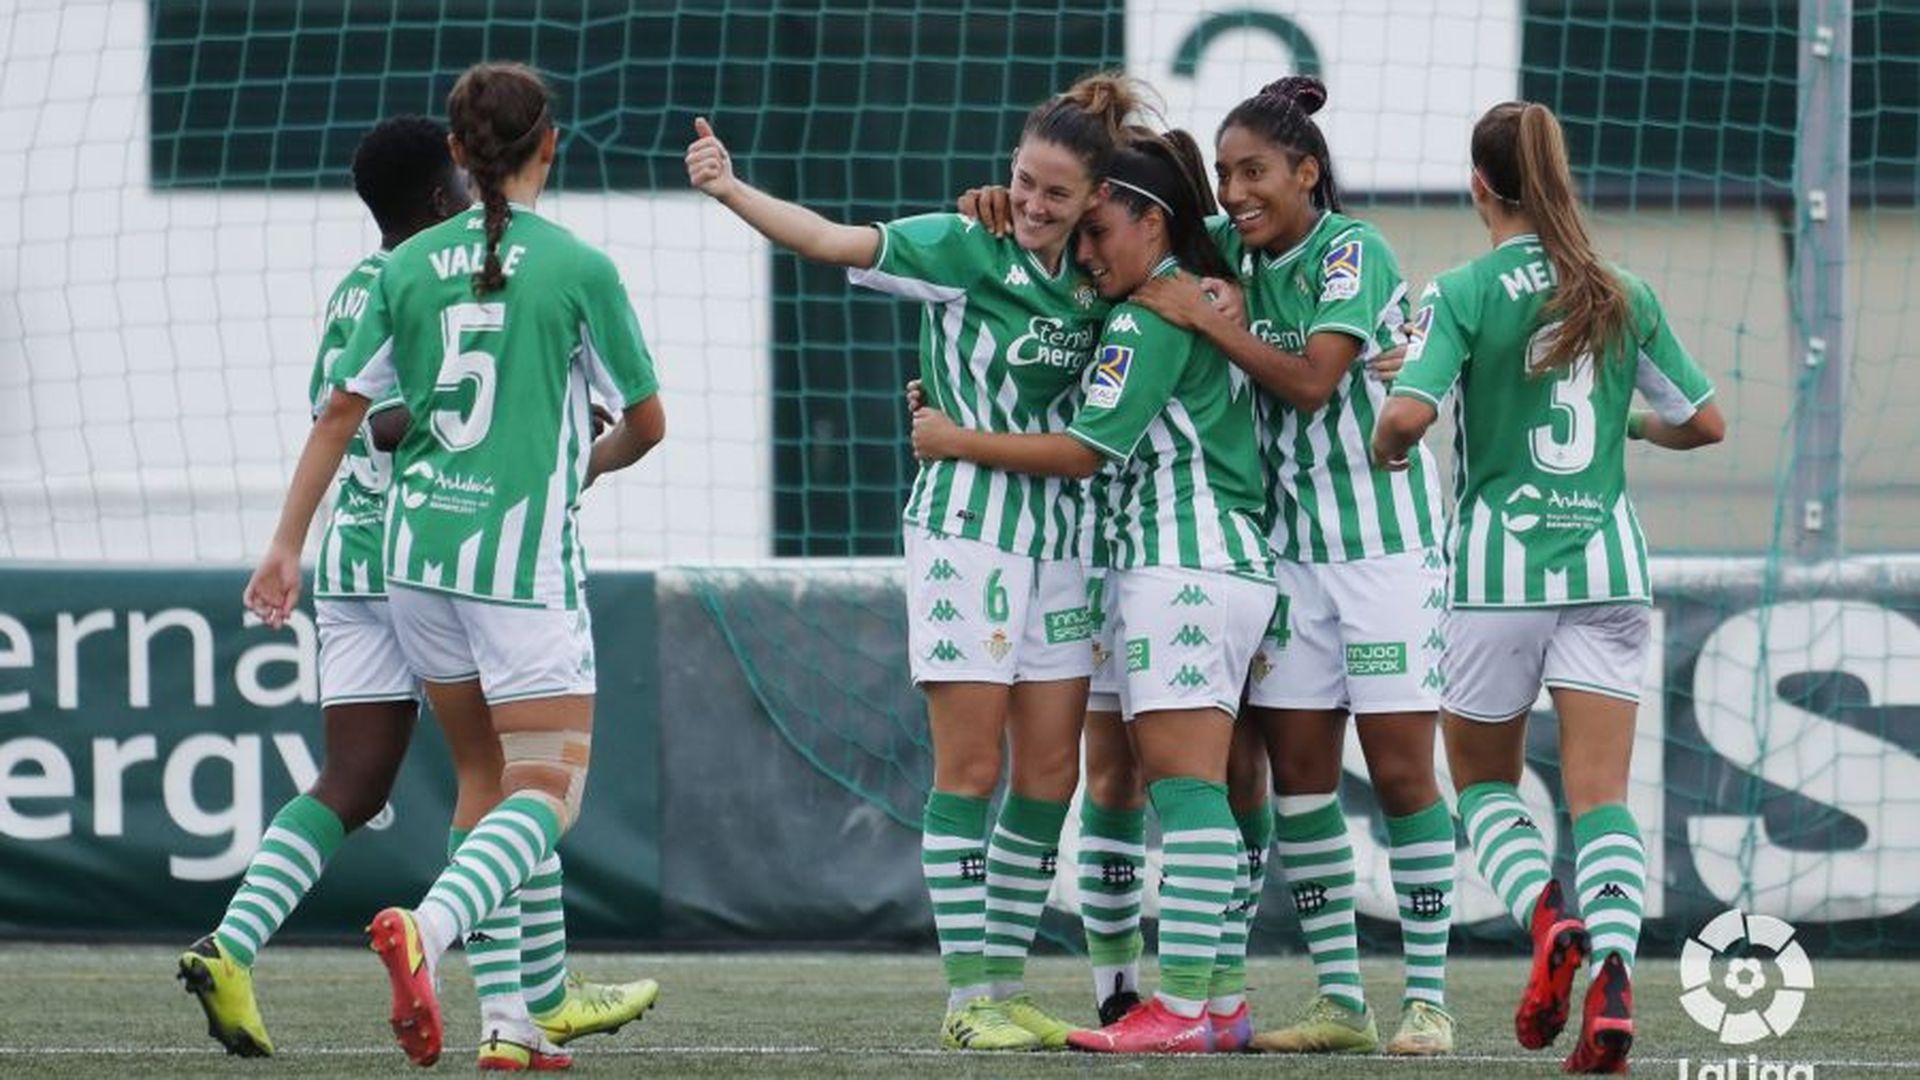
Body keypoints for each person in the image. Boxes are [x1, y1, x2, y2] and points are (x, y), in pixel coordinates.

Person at [686, 76, 1141, 1051]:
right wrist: (731, 188)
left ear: (1095, 197)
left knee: (1050, 774)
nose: (1032, 204)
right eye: (1022, 182)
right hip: (964, 537)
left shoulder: (1103, 277)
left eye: (1057, 194)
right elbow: (828, 239)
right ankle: (967, 997)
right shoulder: (963, 242)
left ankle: (1008, 984)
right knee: (970, 766)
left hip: (1066, 548)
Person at [243, 62, 667, 1069]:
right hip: (519, 566)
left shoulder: (404, 266)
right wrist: (587, 463)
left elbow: (340, 416)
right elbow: (647, 425)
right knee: (548, 793)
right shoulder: (578, 268)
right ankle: (428, 931)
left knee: (484, 780)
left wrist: (284, 546)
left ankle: (513, 1025)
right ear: (547, 147)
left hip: (413, 561)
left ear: (459, 152)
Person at [1372, 100, 1724, 1074]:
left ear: (1479, 185)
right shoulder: (1623, 292)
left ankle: (1546, 916)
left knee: (1481, 782)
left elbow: (1405, 416)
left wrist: (1387, 439)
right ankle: (1612, 974)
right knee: (1601, 796)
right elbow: (1706, 422)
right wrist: (1631, 432)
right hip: (1610, 564)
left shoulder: (1462, 291)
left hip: (1498, 573)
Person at [913, 128, 1275, 1054]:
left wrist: (954, 440)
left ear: (1152, 222)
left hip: (1181, 565)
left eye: (1096, 229)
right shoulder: (1184, 289)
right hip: (1177, 565)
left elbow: (1085, 451)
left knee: (1186, 791)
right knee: (1166, 783)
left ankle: (1184, 1008)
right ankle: (1216, 1003)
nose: (1082, 250)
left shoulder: (1153, 314)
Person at [1127, 76, 1456, 1056]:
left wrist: (1207, 319)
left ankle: (1427, 1000)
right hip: (1283, 558)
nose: (1236, 192)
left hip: (1386, 550)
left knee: (1401, 775)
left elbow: (1316, 383)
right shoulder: (1227, 251)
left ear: (1308, 172)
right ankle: (1343, 1003)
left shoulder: (1352, 249)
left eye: (1257, 171)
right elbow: (1152, 227)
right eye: (1227, 175)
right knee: (1301, 781)